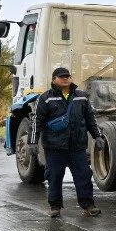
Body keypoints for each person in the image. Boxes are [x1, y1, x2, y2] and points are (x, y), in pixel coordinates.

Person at [32, 66, 102, 217]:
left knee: (83, 175)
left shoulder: (81, 96)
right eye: (61, 77)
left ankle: (88, 205)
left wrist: (98, 136)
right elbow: (36, 122)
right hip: (54, 147)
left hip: (77, 146)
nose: (65, 79)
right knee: (54, 176)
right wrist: (32, 142)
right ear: (53, 80)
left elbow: (90, 119)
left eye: (67, 77)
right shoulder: (45, 98)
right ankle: (55, 206)